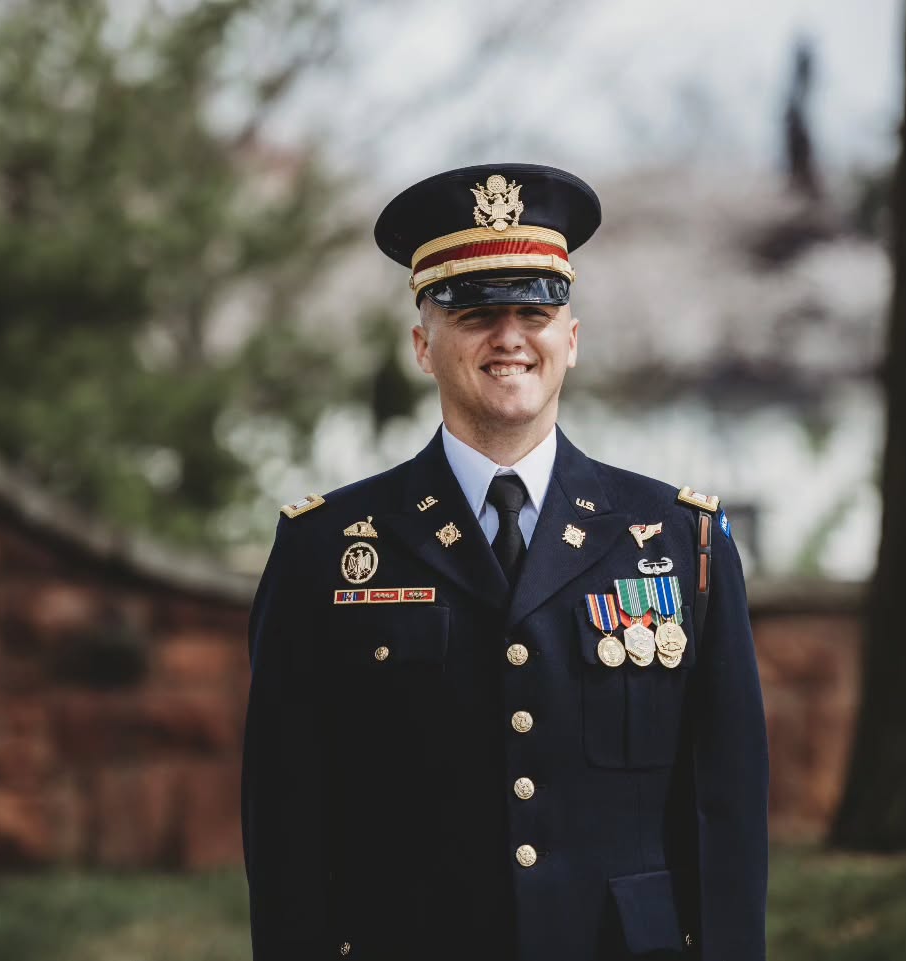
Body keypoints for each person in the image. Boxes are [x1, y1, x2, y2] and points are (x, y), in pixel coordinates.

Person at [242, 163, 768, 961]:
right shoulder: (329, 547)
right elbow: (287, 815)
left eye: (534, 310)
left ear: (573, 339)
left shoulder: (678, 538)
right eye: (478, 313)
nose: (510, 337)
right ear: (424, 344)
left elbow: (725, 811)